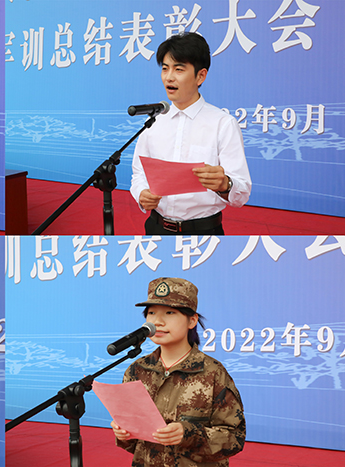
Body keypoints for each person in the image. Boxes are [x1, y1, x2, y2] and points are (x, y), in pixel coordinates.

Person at [111, 277, 245, 466]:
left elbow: (234, 438)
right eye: (151, 313)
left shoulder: (213, 373)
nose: (157, 321)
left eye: (169, 312)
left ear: (192, 320)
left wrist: (189, 434)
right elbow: (134, 444)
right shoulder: (137, 370)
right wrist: (124, 433)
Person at [130, 32, 252, 235]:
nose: (169, 77)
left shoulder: (223, 124)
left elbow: (242, 192)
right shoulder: (154, 122)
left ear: (200, 76)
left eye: (178, 69)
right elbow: (139, 174)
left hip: (204, 231)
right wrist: (141, 193)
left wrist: (225, 184)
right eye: (165, 68)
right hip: (155, 227)